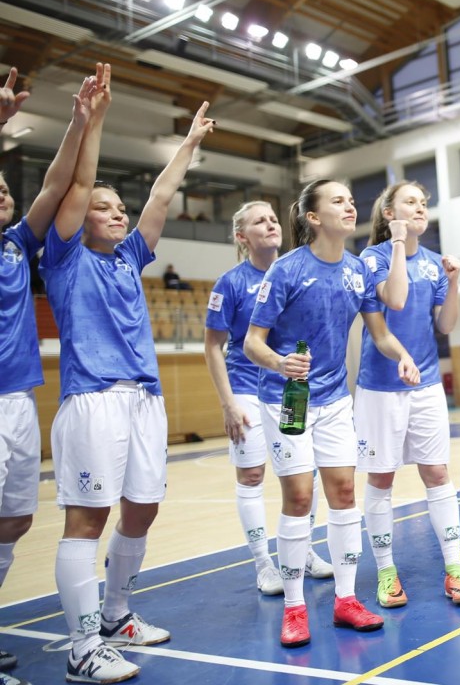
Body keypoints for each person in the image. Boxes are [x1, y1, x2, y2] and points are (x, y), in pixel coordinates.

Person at [41, 64, 214, 683]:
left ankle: (115, 617)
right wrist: (93, 120)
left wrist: (188, 145)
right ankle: (81, 648)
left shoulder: (129, 258)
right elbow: (79, 182)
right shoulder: (63, 258)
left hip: (144, 398)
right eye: (104, 207)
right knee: (87, 520)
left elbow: (160, 198)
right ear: (79, 216)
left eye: (120, 208)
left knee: (142, 509)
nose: (118, 215)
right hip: (94, 398)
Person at [244, 179, 421, 649]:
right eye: (338, 200)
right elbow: (252, 343)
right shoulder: (286, 270)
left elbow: (380, 332)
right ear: (313, 217)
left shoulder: (357, 270)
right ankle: (295, 608)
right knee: (300, 497)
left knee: (343, 492)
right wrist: (280, 363)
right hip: (286, 398)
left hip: (336, 399)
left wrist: (401, 354)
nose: (350, 206)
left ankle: (346, 600)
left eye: (351, 199)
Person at [0, 67, 94, 685]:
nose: (3, 193)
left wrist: (79, 122)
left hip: (18, 399)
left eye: (6, 188)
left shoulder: (15, 244)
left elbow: (58, 183)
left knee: (14, 520)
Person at [202, 202, 335, 598]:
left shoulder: (297, 272)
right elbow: (212, 347)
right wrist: (228, 403)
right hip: (246, 388)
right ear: (241, 237)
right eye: (259, 221)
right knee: (251, 476)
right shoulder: (229, 283)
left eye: (274, 218)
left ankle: (303, 551)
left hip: (289, 391)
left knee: (305, 474)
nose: (271, 224)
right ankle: (263, 564)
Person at [355, 181, 460, 609]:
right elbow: (395, 302)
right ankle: (386, 572)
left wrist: (454, 281)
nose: (421, 207)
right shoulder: (371, 259)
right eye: (411, 202)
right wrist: (397, 244)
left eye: (424, 203)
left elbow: (446, 326)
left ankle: (453, 567)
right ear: (389, 213)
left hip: (425, 385)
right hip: (379, 387)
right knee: (381, 479)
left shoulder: (432, 263)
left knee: (438, 474)